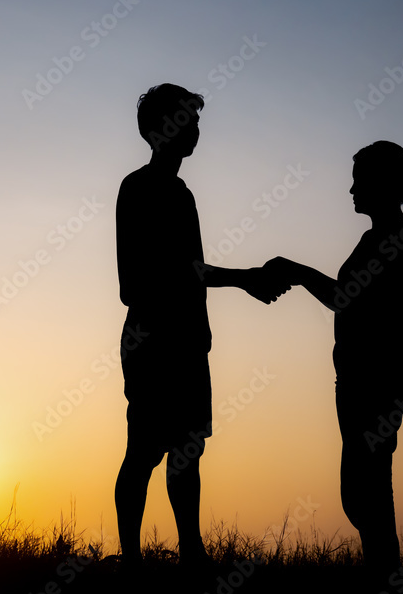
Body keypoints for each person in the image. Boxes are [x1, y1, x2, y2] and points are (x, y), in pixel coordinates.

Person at [114, 83, 288, 567]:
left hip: (188, 343)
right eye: (187, 119)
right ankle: (131, 561)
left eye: (195, 120)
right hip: (153, 343)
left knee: (186, 450)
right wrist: (245, 279)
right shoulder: (139, 189)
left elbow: (189, 270)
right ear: (158, 130)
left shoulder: (181, 193)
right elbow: (141, 282)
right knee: (145, 452)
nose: (195, 129)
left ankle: (191, 552)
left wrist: (238, 284)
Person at [266, 140, 403, 577]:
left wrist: (296, 272)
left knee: (368, 490)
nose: (351, 190)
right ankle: (383, 579)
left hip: (377, 377)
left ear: (380, 183)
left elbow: (347, 298)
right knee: (364, 491)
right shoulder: (378, 235)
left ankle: (384, 583)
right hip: (361, 377)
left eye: (358, 181)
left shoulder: (396, 238)